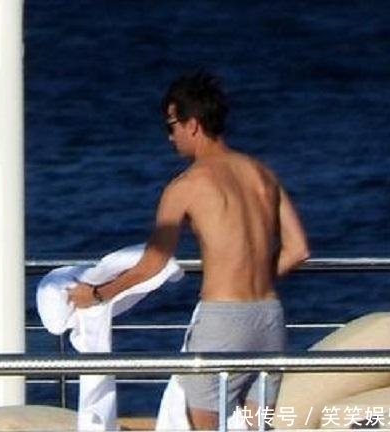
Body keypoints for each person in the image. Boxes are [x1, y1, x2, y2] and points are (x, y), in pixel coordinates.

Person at [68, 71, 310, 430]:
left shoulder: (186, 186)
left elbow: (154, 262)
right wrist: (252, 277)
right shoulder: (262, 174)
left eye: (172, 126)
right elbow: (298, 249)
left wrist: (98, 294)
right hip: (269, 316)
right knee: (258, 427)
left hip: (222, 321)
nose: (170, 136)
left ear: (192, 124)